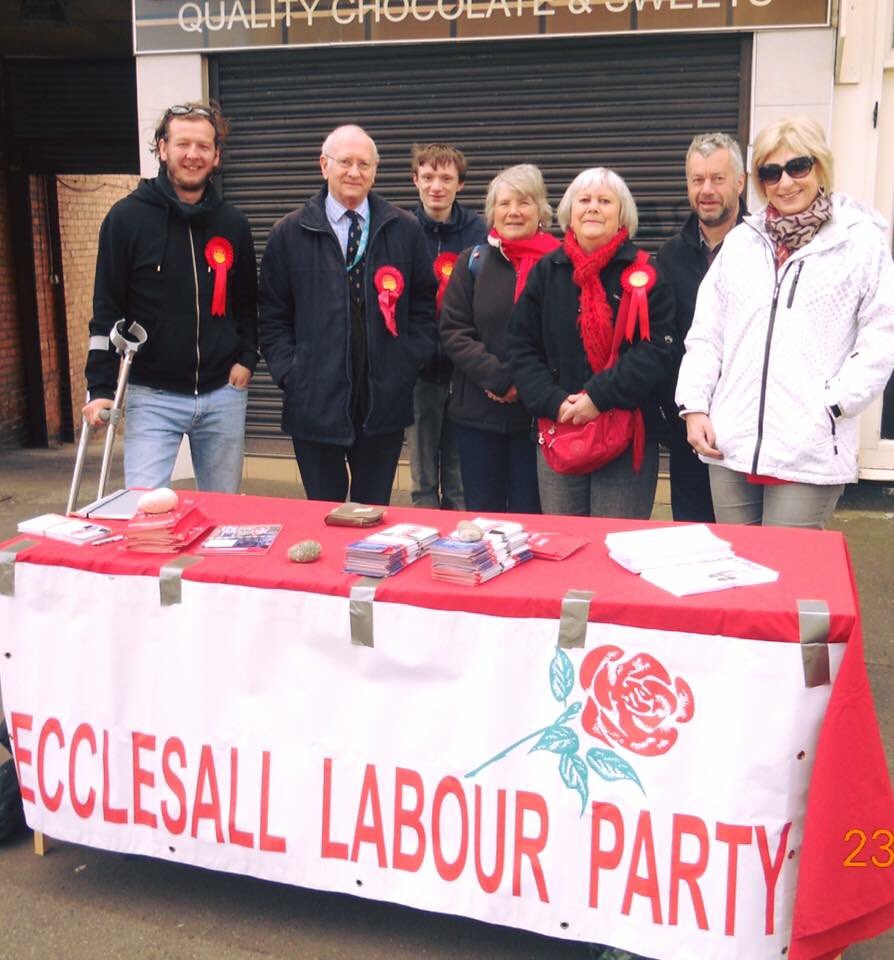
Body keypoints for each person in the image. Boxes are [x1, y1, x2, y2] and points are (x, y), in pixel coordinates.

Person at [677, 116, 894, 529]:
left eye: (798, 166)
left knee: (789, 577)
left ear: (821, 167)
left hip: (807, 447)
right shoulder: (743, 241)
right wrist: (696, 407)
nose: (786, 183)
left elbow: (882, 337)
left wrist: (834, 406)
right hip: (731, 445)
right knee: (736, 574)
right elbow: (707, 334)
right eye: (771, 172)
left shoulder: (859, 241)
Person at [83, 101, 258, 493]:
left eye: (203, 146)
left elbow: (247, 301)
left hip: (222, 396)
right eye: (182, 144)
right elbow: (106, 310)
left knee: (223, 516)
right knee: (145, 511)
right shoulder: (125, 219)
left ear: (216, 156)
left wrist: (247, 356)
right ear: (162, 148)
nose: (192, 155)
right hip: (152, 395)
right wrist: (100, 388)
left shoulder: (234, 224)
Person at [258, 125, 437, 505]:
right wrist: (291, 372)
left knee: (373, 515)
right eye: (345, 162)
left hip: (382, 401)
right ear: (324, 165)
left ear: (375, 171)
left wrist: (407, 362)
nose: (354, 172)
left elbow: (424, 306)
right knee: (323, 515)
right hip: (314, 402)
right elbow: (272, 315)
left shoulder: (404, 229)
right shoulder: (289, 233)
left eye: (364, 164)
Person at [507, 167, 678, 519]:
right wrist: (555, 403)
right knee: (563, 544)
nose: (593, 208)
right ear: (570, 212)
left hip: (625, 437)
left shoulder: (646, 274)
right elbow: (521, 346)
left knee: (613, 548)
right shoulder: (546, 272)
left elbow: (656, 352)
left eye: (604, 201)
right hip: (560, 428)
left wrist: (598, 398)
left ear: (622, 215)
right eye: (584, 200)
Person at [439, 164, 558, 514]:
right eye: (504, 203)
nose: (514, 211)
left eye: (524, 202)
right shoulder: (472, 262)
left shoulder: (559, 265)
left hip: (537, 416)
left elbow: (563, 334)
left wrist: (522, 382)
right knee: (483, 515)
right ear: (492, 211)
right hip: (477, 413)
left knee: (531, 516)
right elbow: (454, 329)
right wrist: (498, 378)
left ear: (541, 210)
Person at [656, 132, 747, 522]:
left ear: (740, 182)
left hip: (749, 420)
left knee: (748, 542)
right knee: (691, 534)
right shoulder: (670, 255)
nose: (706, 190)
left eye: (718, 178)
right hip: (689, 425)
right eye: (697, 179)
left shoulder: (764, 248)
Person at [407, 142, 488, 510]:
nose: (436, 186)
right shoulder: (401, 228)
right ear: (415, 180)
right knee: (422, 469)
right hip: (419, 370)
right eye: (428, 177)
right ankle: (423, 528)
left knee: (460, 471)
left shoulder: (479, 231)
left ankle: (457, 533)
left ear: (460, 185)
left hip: (465, 369)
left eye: (446, 178)